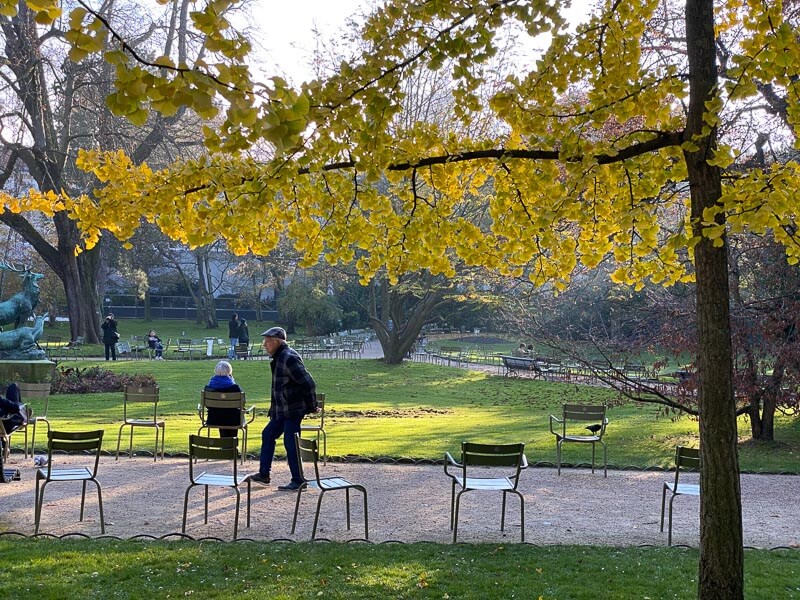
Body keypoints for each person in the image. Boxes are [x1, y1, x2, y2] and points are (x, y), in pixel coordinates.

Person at [249, 326, 317, 490]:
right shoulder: (280, 357)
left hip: (292, 411)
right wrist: (274, 410)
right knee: (268, 434)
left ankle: (298, 479)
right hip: (282, 411)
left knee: (291, 443)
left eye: (267, 342)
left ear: (277, 342)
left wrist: (311, 405)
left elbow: (308, 383)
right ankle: (264, 474)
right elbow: (280, 389)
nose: (264, 345)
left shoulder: (288, 357)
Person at [204, 360, 243, 438]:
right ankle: (232, 446)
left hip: (214, 419)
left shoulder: (209, 388)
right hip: (233, 420)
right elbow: (242, 403)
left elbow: (208, 406)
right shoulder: (235, 388)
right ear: (229, 371)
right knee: (230, 414)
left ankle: (224, 445)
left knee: (221, 413)